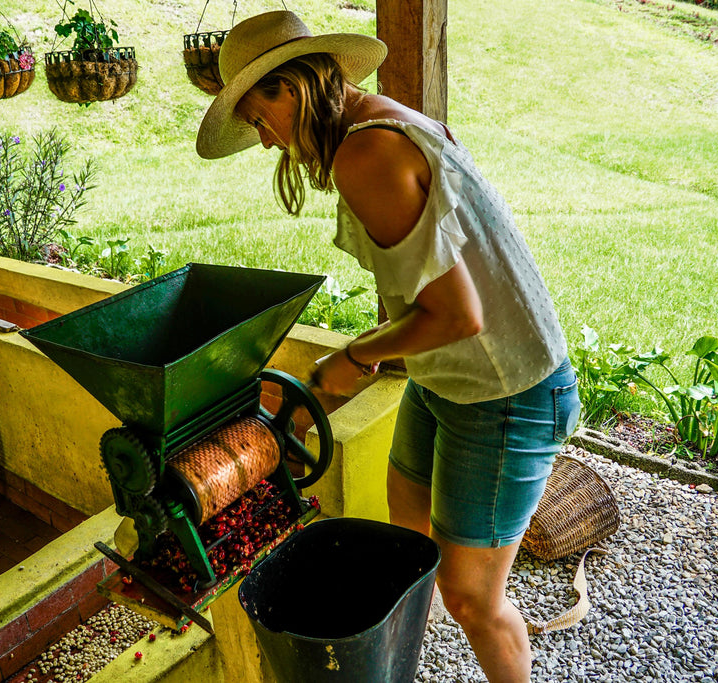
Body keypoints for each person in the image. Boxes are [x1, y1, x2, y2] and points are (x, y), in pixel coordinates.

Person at [196, 10, 581, 683]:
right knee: (408, 539)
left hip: (508, 391)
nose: (262, 142)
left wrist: (354, 356)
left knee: (471, 596)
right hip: (450, 381)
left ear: (289, 89)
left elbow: (457, 313)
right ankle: (407, 666)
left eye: (258, 119)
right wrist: (366, 346)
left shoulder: (366, 153)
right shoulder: (382, 117)